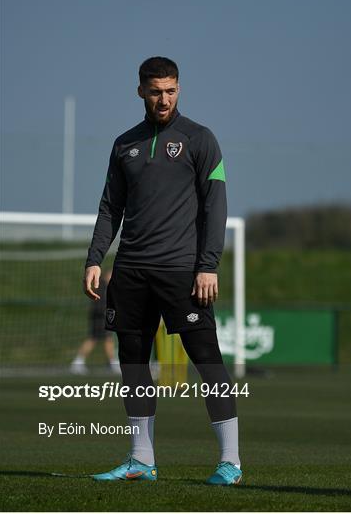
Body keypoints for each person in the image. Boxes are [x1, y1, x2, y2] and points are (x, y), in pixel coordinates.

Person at [83, 57, 242, 485]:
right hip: (131, 271)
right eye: (156, 91)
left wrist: (208, 265)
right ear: (140, 91)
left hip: (182, 271)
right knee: (133, 364)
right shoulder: (124, 145)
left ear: (179, 89)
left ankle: (231, 462)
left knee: (207, 360)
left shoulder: (200, 139)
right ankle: (141, 460)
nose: (163, 99)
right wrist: (96, 258)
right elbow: (109, 207)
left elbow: (216, 206)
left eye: (171, 90)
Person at [71, 270, 120, 375]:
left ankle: (78, 361)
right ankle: (112, 364)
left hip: (100, 317)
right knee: (103, 339)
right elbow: (101, 305)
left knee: (98, 339)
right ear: (106, 275)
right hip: (100, 318)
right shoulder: (102, 288)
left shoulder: (103, 287)